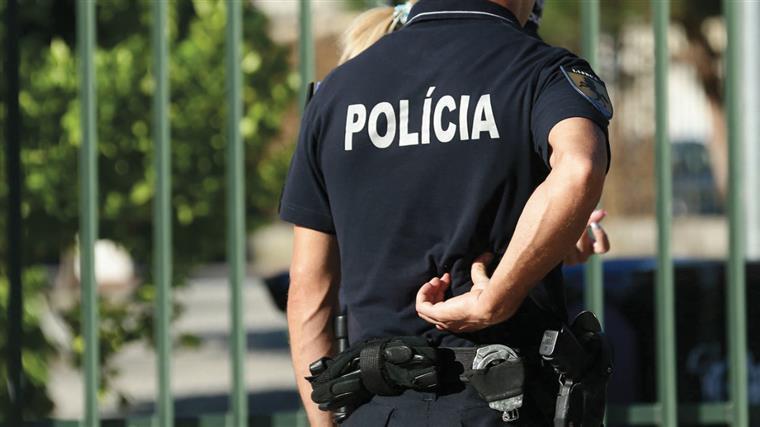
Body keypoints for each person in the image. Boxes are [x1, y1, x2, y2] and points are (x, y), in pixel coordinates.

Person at [279, 0, 613, 425]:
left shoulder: (335, 93)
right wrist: (497, 299)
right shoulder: (539, 70)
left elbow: (308, 295)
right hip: (502, 404)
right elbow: (579, 167)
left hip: (375, 410)